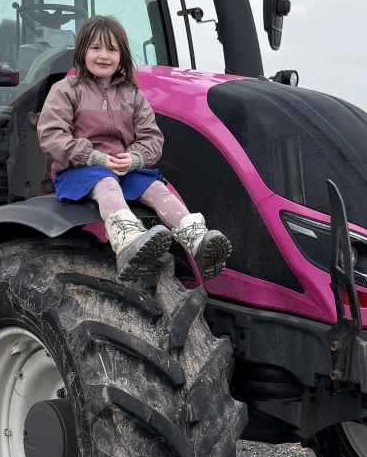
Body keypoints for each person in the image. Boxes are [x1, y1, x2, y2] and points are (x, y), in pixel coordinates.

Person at [38, 15, 233, 280]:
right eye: (96, 48)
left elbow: (152, 137)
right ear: (82, 51)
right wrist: (93, 157)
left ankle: (196, 241)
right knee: (106, 184)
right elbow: (52, 135)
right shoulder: (66, 90)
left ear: (122, 55)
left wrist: (134, 159)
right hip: (79, 168)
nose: (103, 55)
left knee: (157, 188)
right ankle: (127, 241)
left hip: (122, 167)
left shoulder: (132, 94)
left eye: (112, 49)